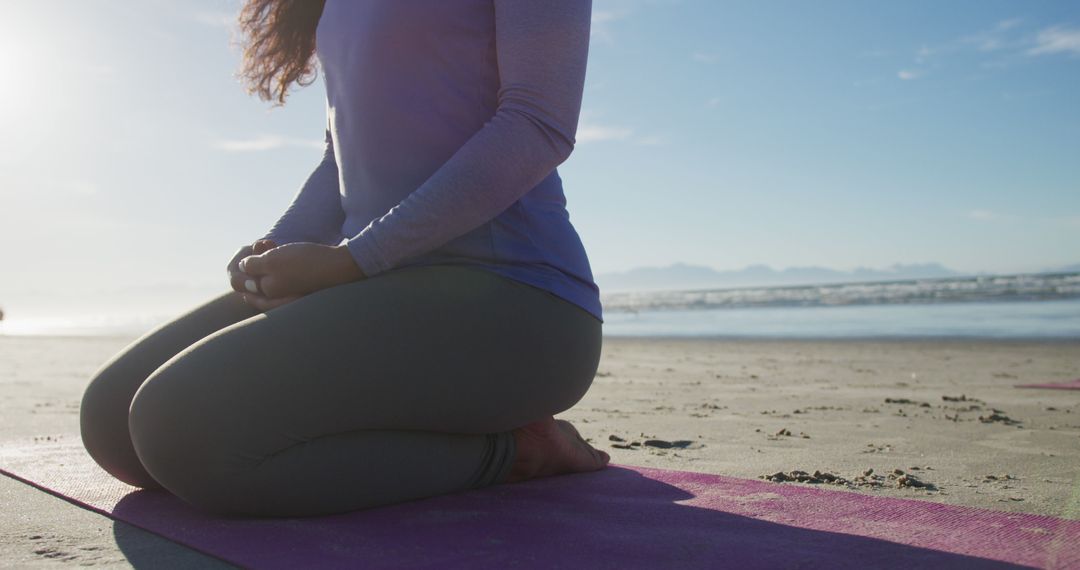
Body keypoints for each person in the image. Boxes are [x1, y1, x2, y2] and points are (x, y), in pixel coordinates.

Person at [78, 0, 609, 518]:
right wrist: (277, 247)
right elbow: (341, 156)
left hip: (519, 305)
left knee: (179, 429)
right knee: (111, 421)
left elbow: (538, 123)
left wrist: (354, 260)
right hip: (369, 284)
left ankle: (518, 451)